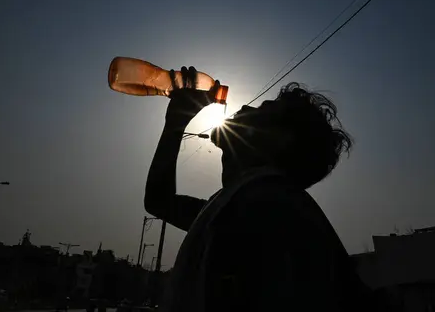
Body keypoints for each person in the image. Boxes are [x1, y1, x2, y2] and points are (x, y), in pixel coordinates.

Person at [145, 67, 371, 312]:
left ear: (279, 139)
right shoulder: (239, 202)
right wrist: (177, 121)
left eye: (260, 110)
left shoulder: (270, 206)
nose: (243, 108)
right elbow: (159, 201)